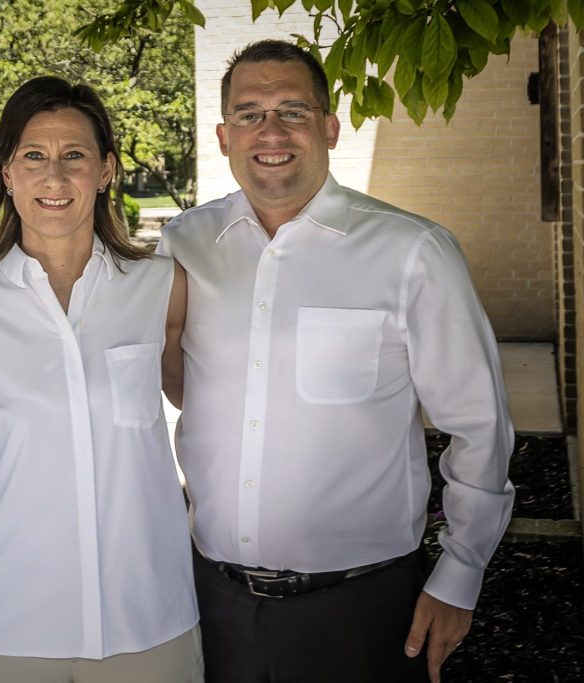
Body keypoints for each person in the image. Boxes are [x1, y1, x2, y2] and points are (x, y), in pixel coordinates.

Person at [157, 40, 515, 683]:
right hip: (211, 601)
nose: (270, 131)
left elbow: (481, 425)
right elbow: (185, 384)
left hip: (365, 610)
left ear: (328, 126)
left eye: (292, 110)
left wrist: (460, 574)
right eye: (249, 113)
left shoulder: (413, 251)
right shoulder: (184, 244)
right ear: (222, 134)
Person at [0, 76, 202, 683]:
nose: (55, 177)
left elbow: (206, 411)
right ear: (6, 173)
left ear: (105, 170)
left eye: (74, 155)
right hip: (2, 623)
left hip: (149, 617)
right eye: (34, 156)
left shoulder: (163, 288)